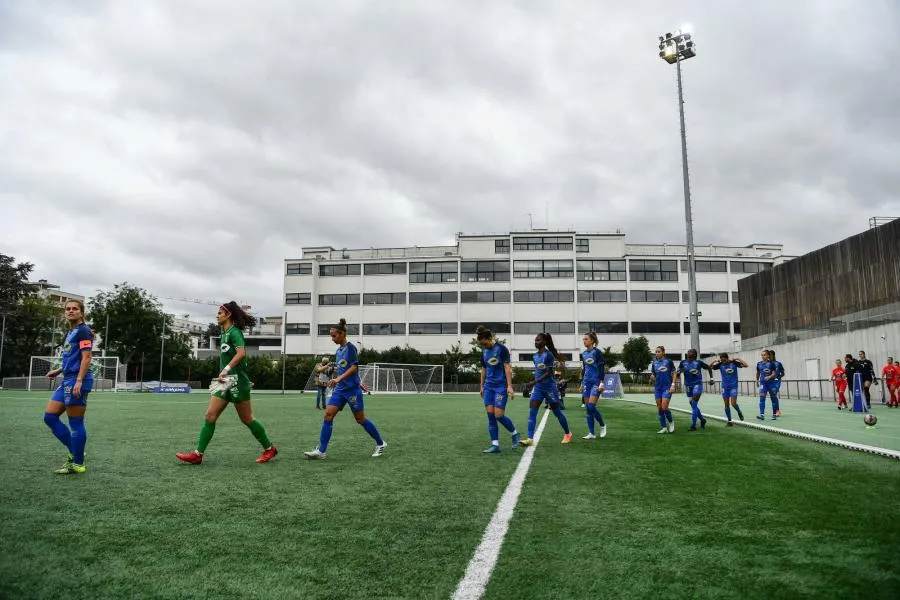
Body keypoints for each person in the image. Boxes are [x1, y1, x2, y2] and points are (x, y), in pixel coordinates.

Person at [176, 302, 277, 464]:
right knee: (210, 416)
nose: (217, 315)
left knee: (247, 419)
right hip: (224, 382)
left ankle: (269, 448)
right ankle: (198, 454)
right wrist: (225, 372)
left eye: (220, 313)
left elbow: (241, 353)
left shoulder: (235, 332)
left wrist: (226, 369)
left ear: (228, 315)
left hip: (237, 382)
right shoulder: (224, 333)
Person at [304, 318, 386, 459]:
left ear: (342, 334)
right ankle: (321, 452)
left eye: (334, 335)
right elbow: (345, 369)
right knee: (328, 415)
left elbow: (354, 367)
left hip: (352, 391)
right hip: (340, 390)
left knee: (360, 419)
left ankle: (380, 443)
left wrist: (341, 380)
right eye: (331, 336)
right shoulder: (339, 351)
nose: (332, 338)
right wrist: (345, 380)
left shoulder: (350, 348)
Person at [43, 300, 94, 474]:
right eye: (68, 309)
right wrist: (58, 370)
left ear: (81, 313)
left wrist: (79, 381)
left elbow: (87, 357)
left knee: (75, 422)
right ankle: (76, 451)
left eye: (75, 309)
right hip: (67, 378)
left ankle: (77, 464)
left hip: (77, 380)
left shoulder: (83, 331)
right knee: (50, 417)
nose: (71, 311)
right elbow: (73, 357)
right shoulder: (71, 331)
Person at [519, 333, 572, 446]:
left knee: (557, 413)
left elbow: (548, 373)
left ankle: (568, 433)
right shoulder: (534, 356)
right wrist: (534, 384)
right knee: (532, 412)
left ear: (544, 342)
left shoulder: (549, 355)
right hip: (538, 388)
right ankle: (530, 438)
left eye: (538, 340)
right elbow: (538, 371)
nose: (536, 342)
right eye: (535, 340)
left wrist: (533, 382)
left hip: (550, 388)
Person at [475, 325, 520, 453]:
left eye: (485, 343)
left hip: (500, 387)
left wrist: (509, 386)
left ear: (490, 338)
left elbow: (507, 368)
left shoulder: (501, 349)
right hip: (488, 387)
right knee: (490, 416)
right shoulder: (484, 351)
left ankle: (514, 433)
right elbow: (484, 369)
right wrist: (481, 386)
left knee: (498, 415)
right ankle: (495, 445)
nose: (484, 346)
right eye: (482, 344)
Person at [676, 349, 713, 431]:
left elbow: (709, 368)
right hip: (688, 386)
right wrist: (678, 373)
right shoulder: (683, 362)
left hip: (697, 384)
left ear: (694, 354)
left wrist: (711, 379)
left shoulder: (698, 363)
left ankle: (693, 426)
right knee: (692, 404)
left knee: (694, 403)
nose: (688, 352)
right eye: (688, 351)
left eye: (690, 352)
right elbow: (678, 373)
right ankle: (702, 420)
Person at [579, 332, 607, 440]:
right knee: (588, 409)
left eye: (586, 339)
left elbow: (601, 368)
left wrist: (601, 382)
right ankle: (591, 433)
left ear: (592, 341)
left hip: (596, 382)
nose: (584, 341)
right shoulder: (584, 354)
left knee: (591, 406)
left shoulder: (597, 352)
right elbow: (584, 369)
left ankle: (602, 425)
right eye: (583, 339)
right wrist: (582, 383)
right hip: (587, 382)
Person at [709, 353, 747, 426]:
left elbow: (746, 365)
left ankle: (739, 412)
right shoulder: (720, 364)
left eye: (724, 360)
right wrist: (715, 361)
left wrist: (738, 359)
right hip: (725, 387)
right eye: (722, 360)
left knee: (733, 403)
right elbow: (709, 367)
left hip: (733, 386)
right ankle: (729, 421)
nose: (723, 362)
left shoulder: (734, 363)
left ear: (727, 358)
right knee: (726, 404)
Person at [649, 346, 676, 433]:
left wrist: (673, 384)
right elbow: (653, 374)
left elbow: (674, 373)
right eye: (656, 352)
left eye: (659, 351)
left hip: (667, 388)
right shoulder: (654, 363)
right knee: (660, 408)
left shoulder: (669, 361)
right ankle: (664, 428)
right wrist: (652, 377)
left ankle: (671, 422)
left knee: (664, 407)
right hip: (658, 388)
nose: (657, 353)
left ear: (663, 352)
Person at [756, 350, 779, 420]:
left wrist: (769, 376)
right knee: (762, 398)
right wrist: (757, 380)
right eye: (762, 355)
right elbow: (758, 373)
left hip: (771, 384)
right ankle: (762, 415)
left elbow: (774, 373)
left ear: (768, 355)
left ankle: (774, 414)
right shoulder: (759, 364)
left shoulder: (772, 363)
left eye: (764, 355)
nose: (763, 356)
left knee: (773, 399)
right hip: (763, 384)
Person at [768, 350, 785, 416]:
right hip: (770, 382)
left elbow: (783, 373)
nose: (769, 356)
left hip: (776, 382)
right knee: (772, 397)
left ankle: (777, 411)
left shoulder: (778, 363)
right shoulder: (767, 364)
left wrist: (778, 378)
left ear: (773, 355)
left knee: (774, 394)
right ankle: (776, 411)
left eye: (770, 355)